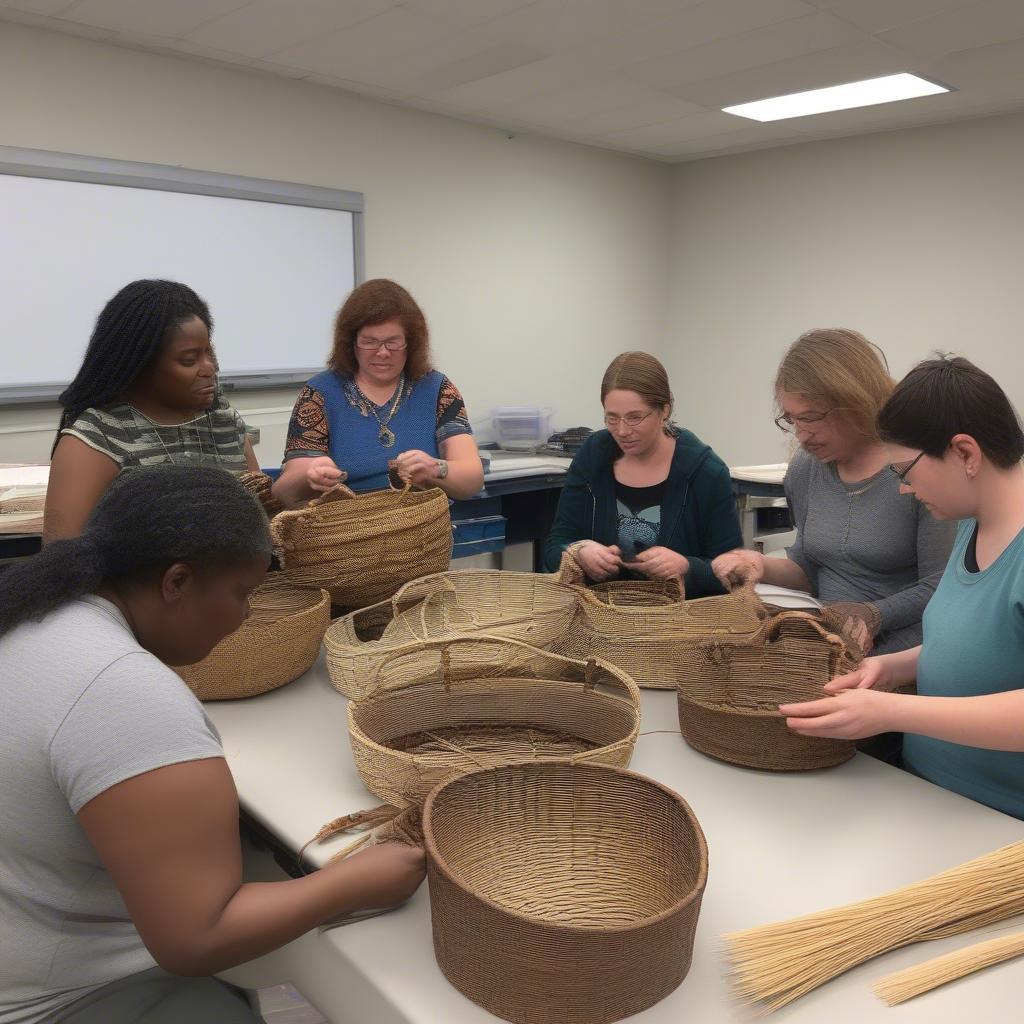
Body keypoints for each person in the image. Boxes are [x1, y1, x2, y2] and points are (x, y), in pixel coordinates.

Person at [0, 466, 425, 1023]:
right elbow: (196, 938)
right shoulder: (121, 692)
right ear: (176, 582)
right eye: (241, 592)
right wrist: (352, 883)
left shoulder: (34, 613)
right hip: (64, 997)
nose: (246, 613)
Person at [782, 356, 1024, 819]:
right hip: (924, 791)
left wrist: (893, 713)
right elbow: (982, 646)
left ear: (966, 454)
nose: (905, 490)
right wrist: (891, 668)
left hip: (997, 824)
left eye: (905, 473)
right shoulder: (972, 524)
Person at [712, 329, 954, 655]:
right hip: (829, 641)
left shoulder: (917, 470)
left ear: (855, 401)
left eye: (810, 418)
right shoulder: (805, 470)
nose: (801, 434)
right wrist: (757, 563)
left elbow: (942, 586)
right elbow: (810, 568)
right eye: (791, 420)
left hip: (903, 650)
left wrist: (875, 615)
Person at [44, 280, 259, 544]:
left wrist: (286, 494)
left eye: (209, 353)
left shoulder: (225, 423)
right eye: (189, 360)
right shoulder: (98, 438)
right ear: (139, 365)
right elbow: (61, 566)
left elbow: (259, 523)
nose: (209, 368)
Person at [543, 351, 742, 595]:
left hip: (680, 621)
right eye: (612, 419)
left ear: (664, 410)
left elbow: (736, 574)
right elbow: (554, 547)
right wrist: (578, 553)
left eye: (635, 418)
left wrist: (688, 568)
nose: (623, 430)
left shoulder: (706, 472)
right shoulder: (593, 457)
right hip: (600, 615)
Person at [273, 279, 483, 504]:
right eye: (369, 342)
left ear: (411, 343)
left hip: (424, 530)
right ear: (351, 343)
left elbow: (472, 481)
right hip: (347, 531)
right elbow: (282, 493)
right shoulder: (319, 394)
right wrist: (309, 475)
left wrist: (436, 468)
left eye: (393, 342)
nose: (382, 353)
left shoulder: (438, 390)